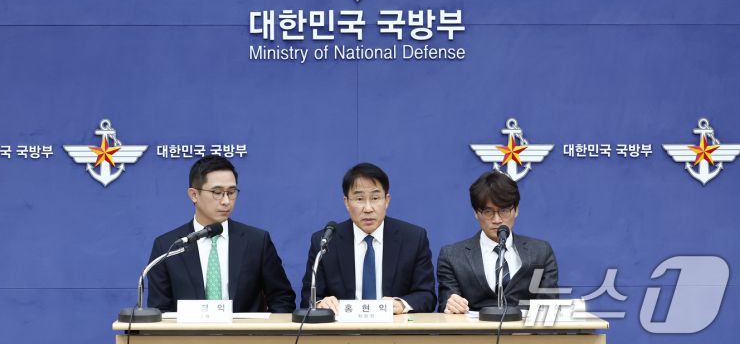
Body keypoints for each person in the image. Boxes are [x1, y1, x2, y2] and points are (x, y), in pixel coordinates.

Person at [147, 155, 296, 312]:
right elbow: (159, 309)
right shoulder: (168, 246)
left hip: (246, 329)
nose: (226, 201)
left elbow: (282, 299)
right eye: (217, 192)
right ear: (194, 195)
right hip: (188, 329)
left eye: (231, 192)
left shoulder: (257, 241)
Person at [300, 163, 437, 314]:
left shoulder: (413, 238)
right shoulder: (326, 241)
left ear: (387, 200)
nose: (368, 208)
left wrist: (401, 304)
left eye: (375, 198)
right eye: (359, 199)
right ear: (346, 202)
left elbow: (427, 295)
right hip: (343, 327)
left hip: (395, 326)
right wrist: (320, 303)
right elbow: (308, 297)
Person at [437, 171, 558, 313]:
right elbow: (446, 305)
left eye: (504, 211)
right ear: (476, 213)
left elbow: (548, 307)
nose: (497, 220)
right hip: (475, 327)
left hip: (524, 327)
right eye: (488, 212)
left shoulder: (541, 252)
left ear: (516, 210)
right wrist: (451, 304)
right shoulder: (452, 256)